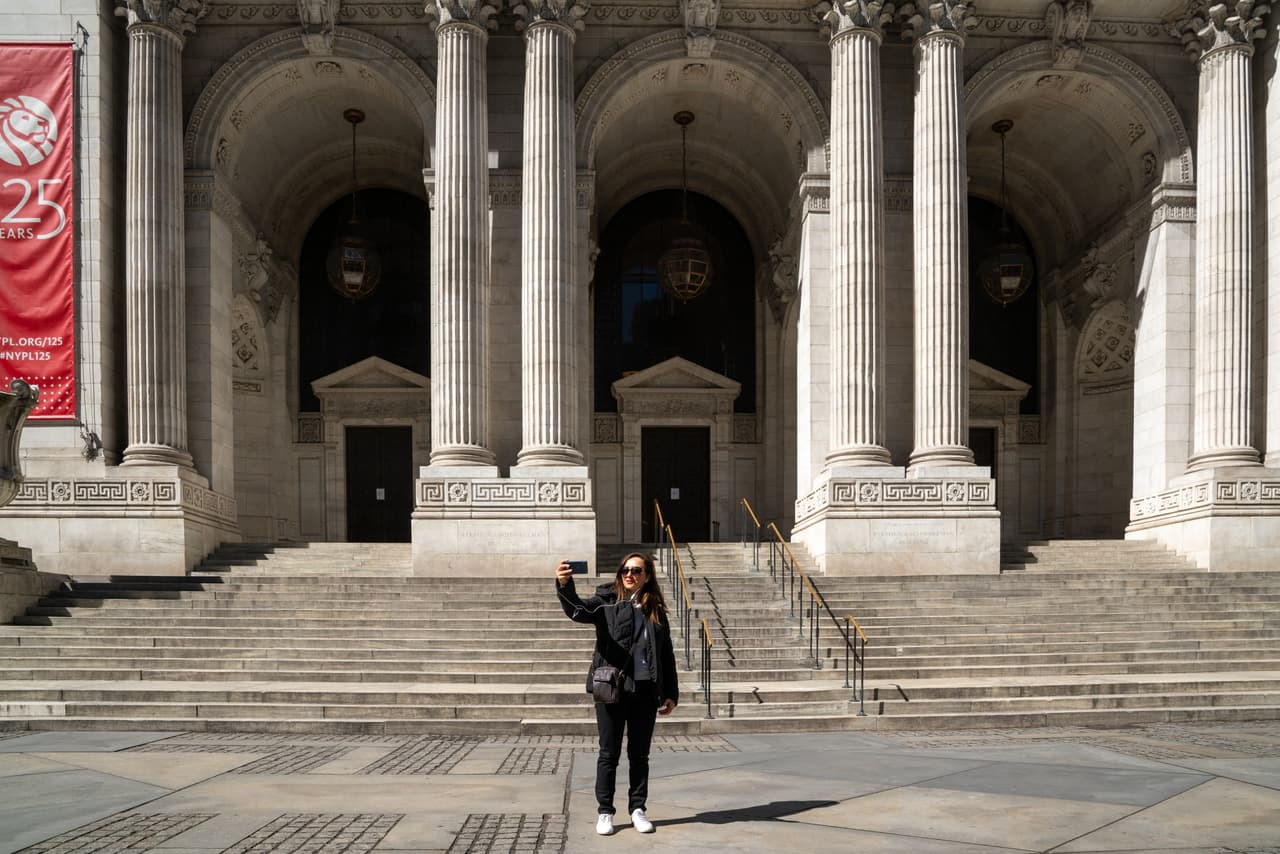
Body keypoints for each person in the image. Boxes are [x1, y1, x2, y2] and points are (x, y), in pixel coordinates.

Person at [556, 552, 678, 836]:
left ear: (647, 575)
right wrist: (564, 585)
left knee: (640, 755)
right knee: (608, 754)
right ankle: (605, 812)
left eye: (636, 570)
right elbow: (577, 611)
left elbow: (666, 654)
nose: (629, 575)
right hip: (612, 688)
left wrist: (671, 692)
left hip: (645, 691)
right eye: (625, 569)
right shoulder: (606, 601)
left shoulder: (655, 609)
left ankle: (637, 809)